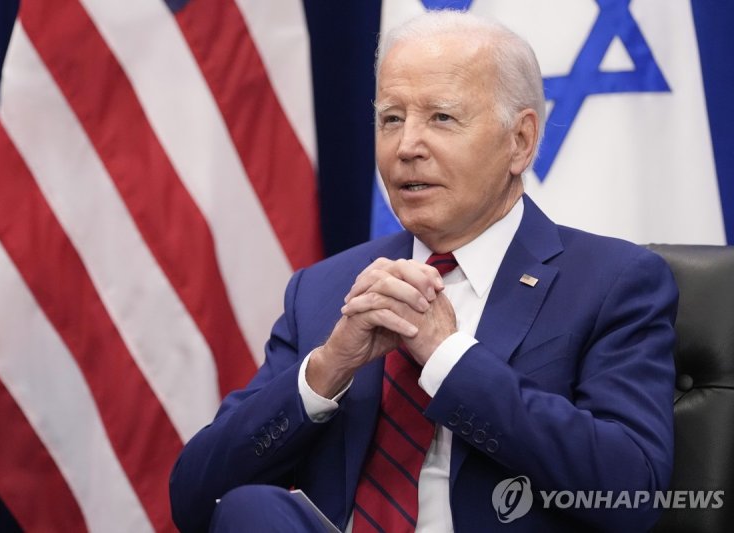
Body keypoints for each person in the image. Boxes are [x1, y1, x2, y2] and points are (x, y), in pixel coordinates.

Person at [169, 10, 677, 533]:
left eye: (442, 118)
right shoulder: (324, 290)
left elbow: (630, 493)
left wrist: (449, 358)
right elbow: (193, 499)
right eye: (391, 118)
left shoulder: (611, 282)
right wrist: (324, 372)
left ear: (520, 141)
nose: (406, 146)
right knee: (252, 510)